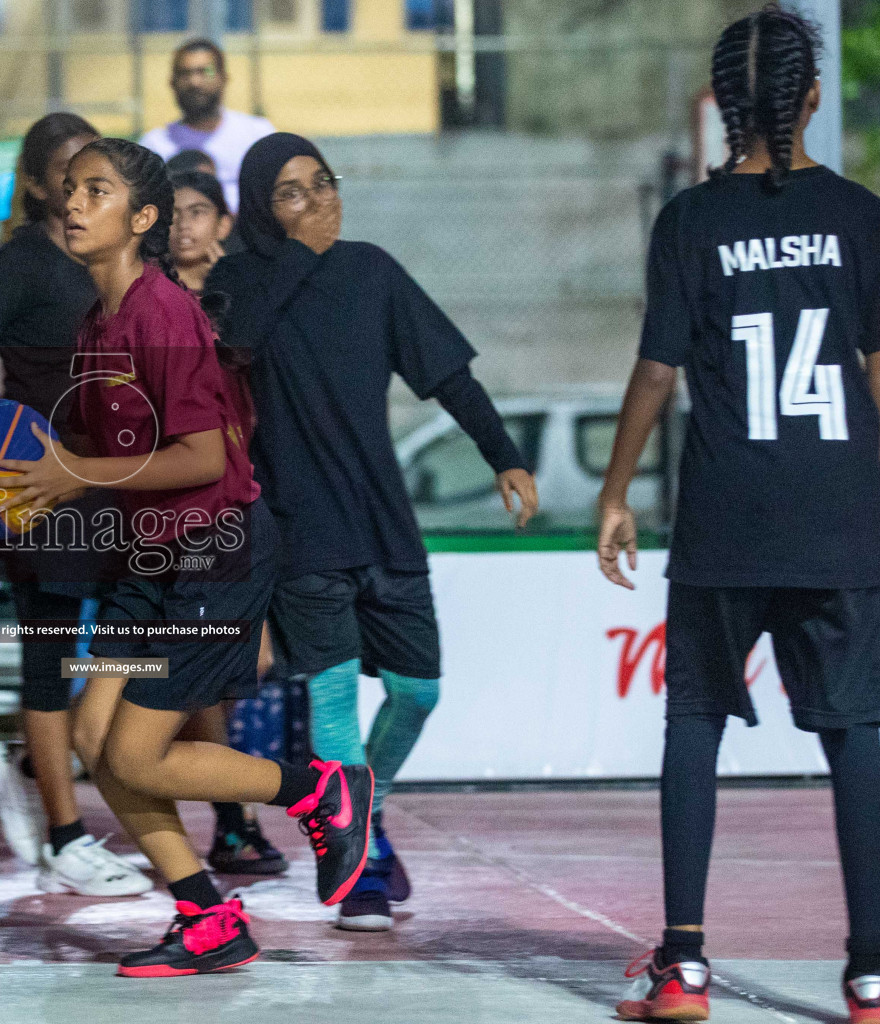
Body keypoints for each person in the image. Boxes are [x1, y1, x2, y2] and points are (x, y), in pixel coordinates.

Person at [0, 137, 373, 977]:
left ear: (143, 218)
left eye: (95, 190)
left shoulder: (161, 312)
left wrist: (75, 471)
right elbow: (114, 441)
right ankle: (208, 917)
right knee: (97, 734)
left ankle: (319, 790)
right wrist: (21, 476)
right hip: (150, 558)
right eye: (69, 188)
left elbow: (203, 456)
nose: (73, 202)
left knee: (135, 753)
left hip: (213, 553)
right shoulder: (99, 319)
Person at [597, 10, 880, 1023]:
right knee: (856, 734)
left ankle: (684, 968)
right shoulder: (858, 215)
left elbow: (658, 369)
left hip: (726, 515)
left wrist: (617, 489)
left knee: (694, 723)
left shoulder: (689, 221)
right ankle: (871, 975)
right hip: (843, 513)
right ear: (811, 98)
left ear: (721, 105)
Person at [208, 132, 539, 932]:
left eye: (323, 182)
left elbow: (448, 376)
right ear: (260, 206)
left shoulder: (373, 271)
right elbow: (236, 342)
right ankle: (356, 870)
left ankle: (365, 812)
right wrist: (295, 254)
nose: (319, 200)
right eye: (293, 191)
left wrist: (504, 456)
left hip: (382, 517)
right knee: (331, 704)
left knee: (417, 690)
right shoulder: (239, 279)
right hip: (298, 526)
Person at [0, 113, 148, 897]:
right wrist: (16, 442)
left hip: (118, 485)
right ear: (33, 185)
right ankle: (65, 834)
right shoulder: (21, 260)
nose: (82, 187)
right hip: (44, 490)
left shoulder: (119, 252)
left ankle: (34, 764)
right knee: (49, 655)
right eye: (65, 173)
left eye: (95, 172)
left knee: (139, 638)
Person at [139, 38, 275, 213]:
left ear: (223, 77)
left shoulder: (257, 134)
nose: (195, 82)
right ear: (172, 82)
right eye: (185, 73)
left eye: (205, 71)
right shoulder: (154, 147)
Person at [169, 171, 233, 293]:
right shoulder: (144, 287)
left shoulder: (245, 286)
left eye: (197, 212)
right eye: (172, 214)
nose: (183, 225)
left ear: (223, 225)